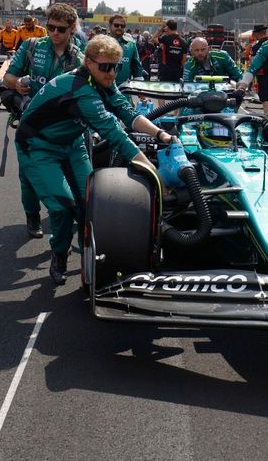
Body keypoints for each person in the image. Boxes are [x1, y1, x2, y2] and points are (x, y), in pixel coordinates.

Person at [15, 35, 175, 285]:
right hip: (38, 146)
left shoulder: (101, 80)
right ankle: (59, 254)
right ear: (88, 62)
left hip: (72, 143)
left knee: (90, 205)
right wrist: (155, 175)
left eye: (116, 67)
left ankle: (90, 258)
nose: (111, 73)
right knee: (62, 206)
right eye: (105, 67)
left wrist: (161, 134)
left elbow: (128, 113)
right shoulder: (82, 90)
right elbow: (115, 134)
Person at [3, 4, 85, 239]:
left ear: (72, 29)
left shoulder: (79, 56)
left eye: (61, 29)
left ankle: (69, 215)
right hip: (31, 126)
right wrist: (17, 83)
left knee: (71, 177)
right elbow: (7, 77)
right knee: (29, 177)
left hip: (64, 129)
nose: (55, 33)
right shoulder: (32, 46)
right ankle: (32, 215)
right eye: (51, 27)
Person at [108, 14, 143, 86]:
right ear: (110, 26)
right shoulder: (99, 43)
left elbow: (137, 68)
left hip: (124, 88)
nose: (119, 27)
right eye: (116, 25)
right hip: (102, 88)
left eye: (122, 26)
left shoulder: (131, 45)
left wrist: (139, 85)